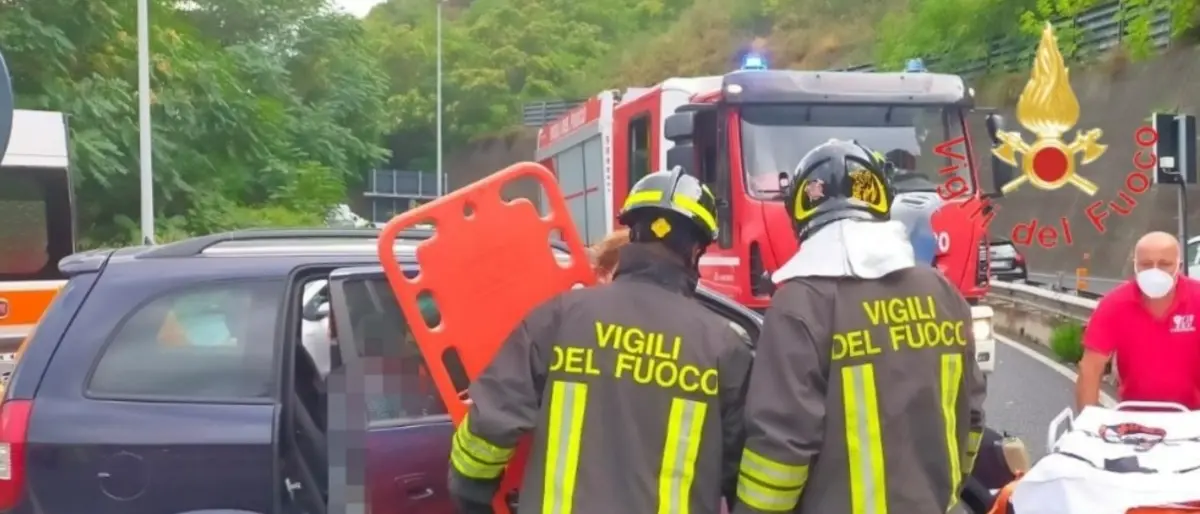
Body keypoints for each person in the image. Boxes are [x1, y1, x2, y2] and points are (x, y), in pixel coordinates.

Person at [447, 168, 754, 514]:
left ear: (632, 233)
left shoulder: (559, 317)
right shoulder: (724, 348)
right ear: (697, 250)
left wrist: (472, 493)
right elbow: (746, 477)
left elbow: (489, 425)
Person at [731, 140, 987, 514]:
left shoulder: (799, 305)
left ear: (800, 213)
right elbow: (972, 417)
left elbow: (781, 450)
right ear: (883, 200)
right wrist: (949, 489)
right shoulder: (942, 292)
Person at [1076, 231, 1200, 411]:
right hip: (1132, 414)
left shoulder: (1197, 298)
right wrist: (1088, 422)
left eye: (1164, 264)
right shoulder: (1114, 304)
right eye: (1146, 264)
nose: (1155, 271)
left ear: (1179, 266)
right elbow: (1090, 368)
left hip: (1193, 415)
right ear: (1135, 266)